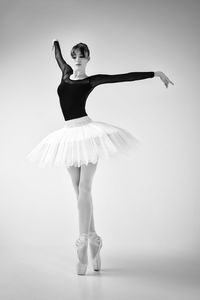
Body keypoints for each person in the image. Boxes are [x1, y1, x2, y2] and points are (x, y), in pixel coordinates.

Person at [26, 39, 174, 275]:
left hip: (87, 134)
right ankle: (94, 239)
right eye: (75, 56)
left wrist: (156, 73)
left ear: (88, 59)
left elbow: (122, 77)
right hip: (68, 136)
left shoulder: (91, 80)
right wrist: (54, 45)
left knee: (84, 188)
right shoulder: (65, 73)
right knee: (77, 190)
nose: (77, 60)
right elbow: (58, 57)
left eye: (82, 56)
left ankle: (83, 242)